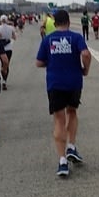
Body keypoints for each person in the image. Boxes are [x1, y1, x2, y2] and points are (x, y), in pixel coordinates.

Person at [35, 9, 91, 177]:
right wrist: (85, 69)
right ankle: (71, 146)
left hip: (55, 83)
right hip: (74, 82)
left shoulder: (47, 40)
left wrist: (52, 63)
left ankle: (62, 161)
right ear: (68, 22)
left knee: (59, 120)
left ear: (55, 22)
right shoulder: (76, 37)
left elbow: (38, 62)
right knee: (72, 112)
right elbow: (86, 54)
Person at [0, 14, 16, 91]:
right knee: (6, 64)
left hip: (1, 49)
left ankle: (2, 78)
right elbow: (14, 37)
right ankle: (4, 81)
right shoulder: (11, 28)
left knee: (2, 63)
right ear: (7, 20)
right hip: (9, 48)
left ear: (1, 20)